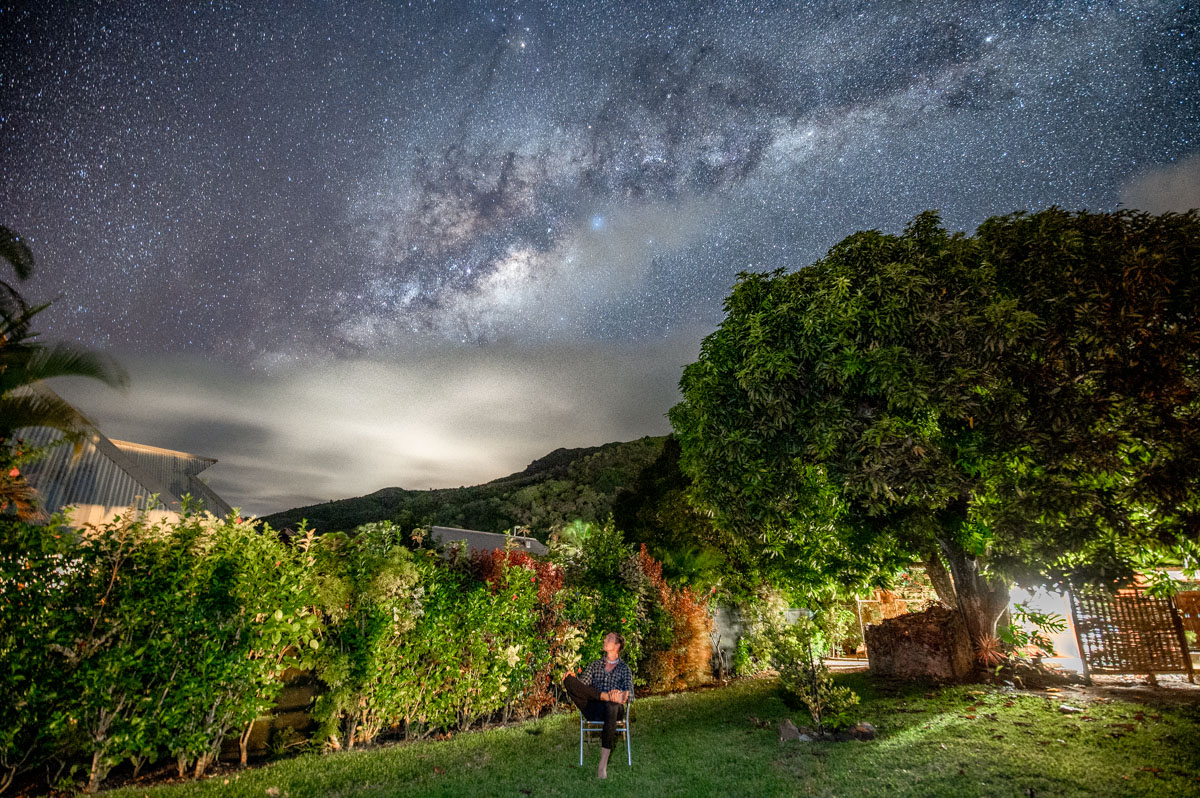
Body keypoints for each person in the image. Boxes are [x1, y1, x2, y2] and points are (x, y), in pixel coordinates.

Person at [562, 631, 634, 779]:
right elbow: (582, 687)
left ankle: (602, 765)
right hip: (593, 707)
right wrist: (573, 679)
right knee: (568, 681)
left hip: (613, 711)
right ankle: (605, 696)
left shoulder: (624, 669)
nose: (605, 640)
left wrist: (617, 695)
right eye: (606, 638)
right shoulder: (595, 665)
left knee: (612, 705)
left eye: (609, 639)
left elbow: (630, 695)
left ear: (617, 645)